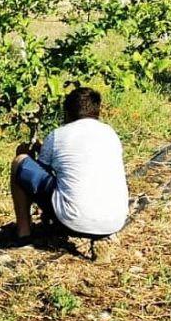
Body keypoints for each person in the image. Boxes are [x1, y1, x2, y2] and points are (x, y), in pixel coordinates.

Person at [10, 87, 129, 242]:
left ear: (67, 112)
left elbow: (40, 175)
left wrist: (28, 155)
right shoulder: (110, 133)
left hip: (72, 221)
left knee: (20, 162)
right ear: (97, 111)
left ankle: (23, 233)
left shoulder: (58, 135)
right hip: (115, 222)